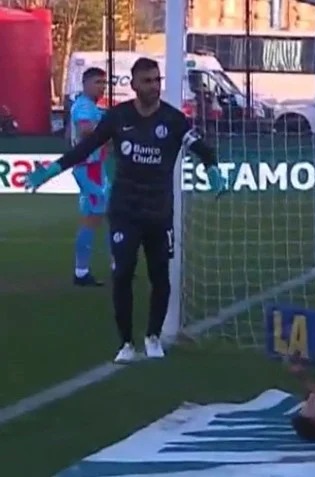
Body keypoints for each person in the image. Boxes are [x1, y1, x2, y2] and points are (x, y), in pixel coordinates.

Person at [25, 57, 228, 363]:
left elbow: (203, 148)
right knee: (122, 275)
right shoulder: (118, 117)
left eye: (157, 80)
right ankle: (126, 343)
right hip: (125, 210)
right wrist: (50, 171)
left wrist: (212, 168)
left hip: (159, 212)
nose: (154, 86)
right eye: (147, 81)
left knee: (160, 276)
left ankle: (153, 336)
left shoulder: (173, 120)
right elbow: (85, 147)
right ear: (133, 85)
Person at [69, 67, 111, 286]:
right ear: (85, 84)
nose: (102, 87)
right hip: (89, 167)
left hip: (94, 167)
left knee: (108, 213)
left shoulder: (90, 106)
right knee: (94, 217)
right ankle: (81, 272)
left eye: (104, 83)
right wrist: (110, 129)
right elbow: (85, 129)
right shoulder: (84, 106)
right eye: (97, 82)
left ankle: (116, 265)